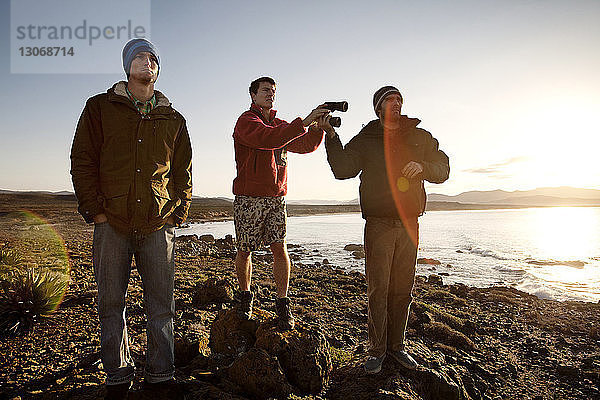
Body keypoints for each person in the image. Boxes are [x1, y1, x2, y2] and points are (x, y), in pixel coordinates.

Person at [70, 38, 191, 399]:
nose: (147, 61)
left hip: (158, 224)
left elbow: (183, 172)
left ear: (158, 69)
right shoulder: (99, 108)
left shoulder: (173, 118)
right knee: (110, 303)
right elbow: (83, 160)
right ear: (127, 67)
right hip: (112, 224)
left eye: (153, 57)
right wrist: (95, 211)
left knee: (162, 305)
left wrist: (177, 214)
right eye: (139, 56)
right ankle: (118, 378)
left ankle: (160, 375)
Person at [324, 86, 449, 374]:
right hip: (378, 224)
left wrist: (424, 166)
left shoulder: (420, 136)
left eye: (399, 100)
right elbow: (343, 169)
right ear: (379, 107)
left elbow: (443, 168)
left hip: (409, 223)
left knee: (403, 290)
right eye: (390, 100)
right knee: (378, 289)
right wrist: (331, 137)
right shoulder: (367, 138)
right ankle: (376, 351)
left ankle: (398, 347)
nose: (397, 104)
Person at [232, 76, 329, 329]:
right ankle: (245, 297)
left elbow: (305, 144)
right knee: (245, 249)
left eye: (273, 91)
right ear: (253, 95)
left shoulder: (280, 125)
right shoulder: (246, 121)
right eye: (265, 90)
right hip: (249, 197)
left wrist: (318, 128)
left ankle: (283, 304)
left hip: (276, 198)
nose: (270, 94)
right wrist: (305, 121)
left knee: (279, 247)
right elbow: (269, 139)